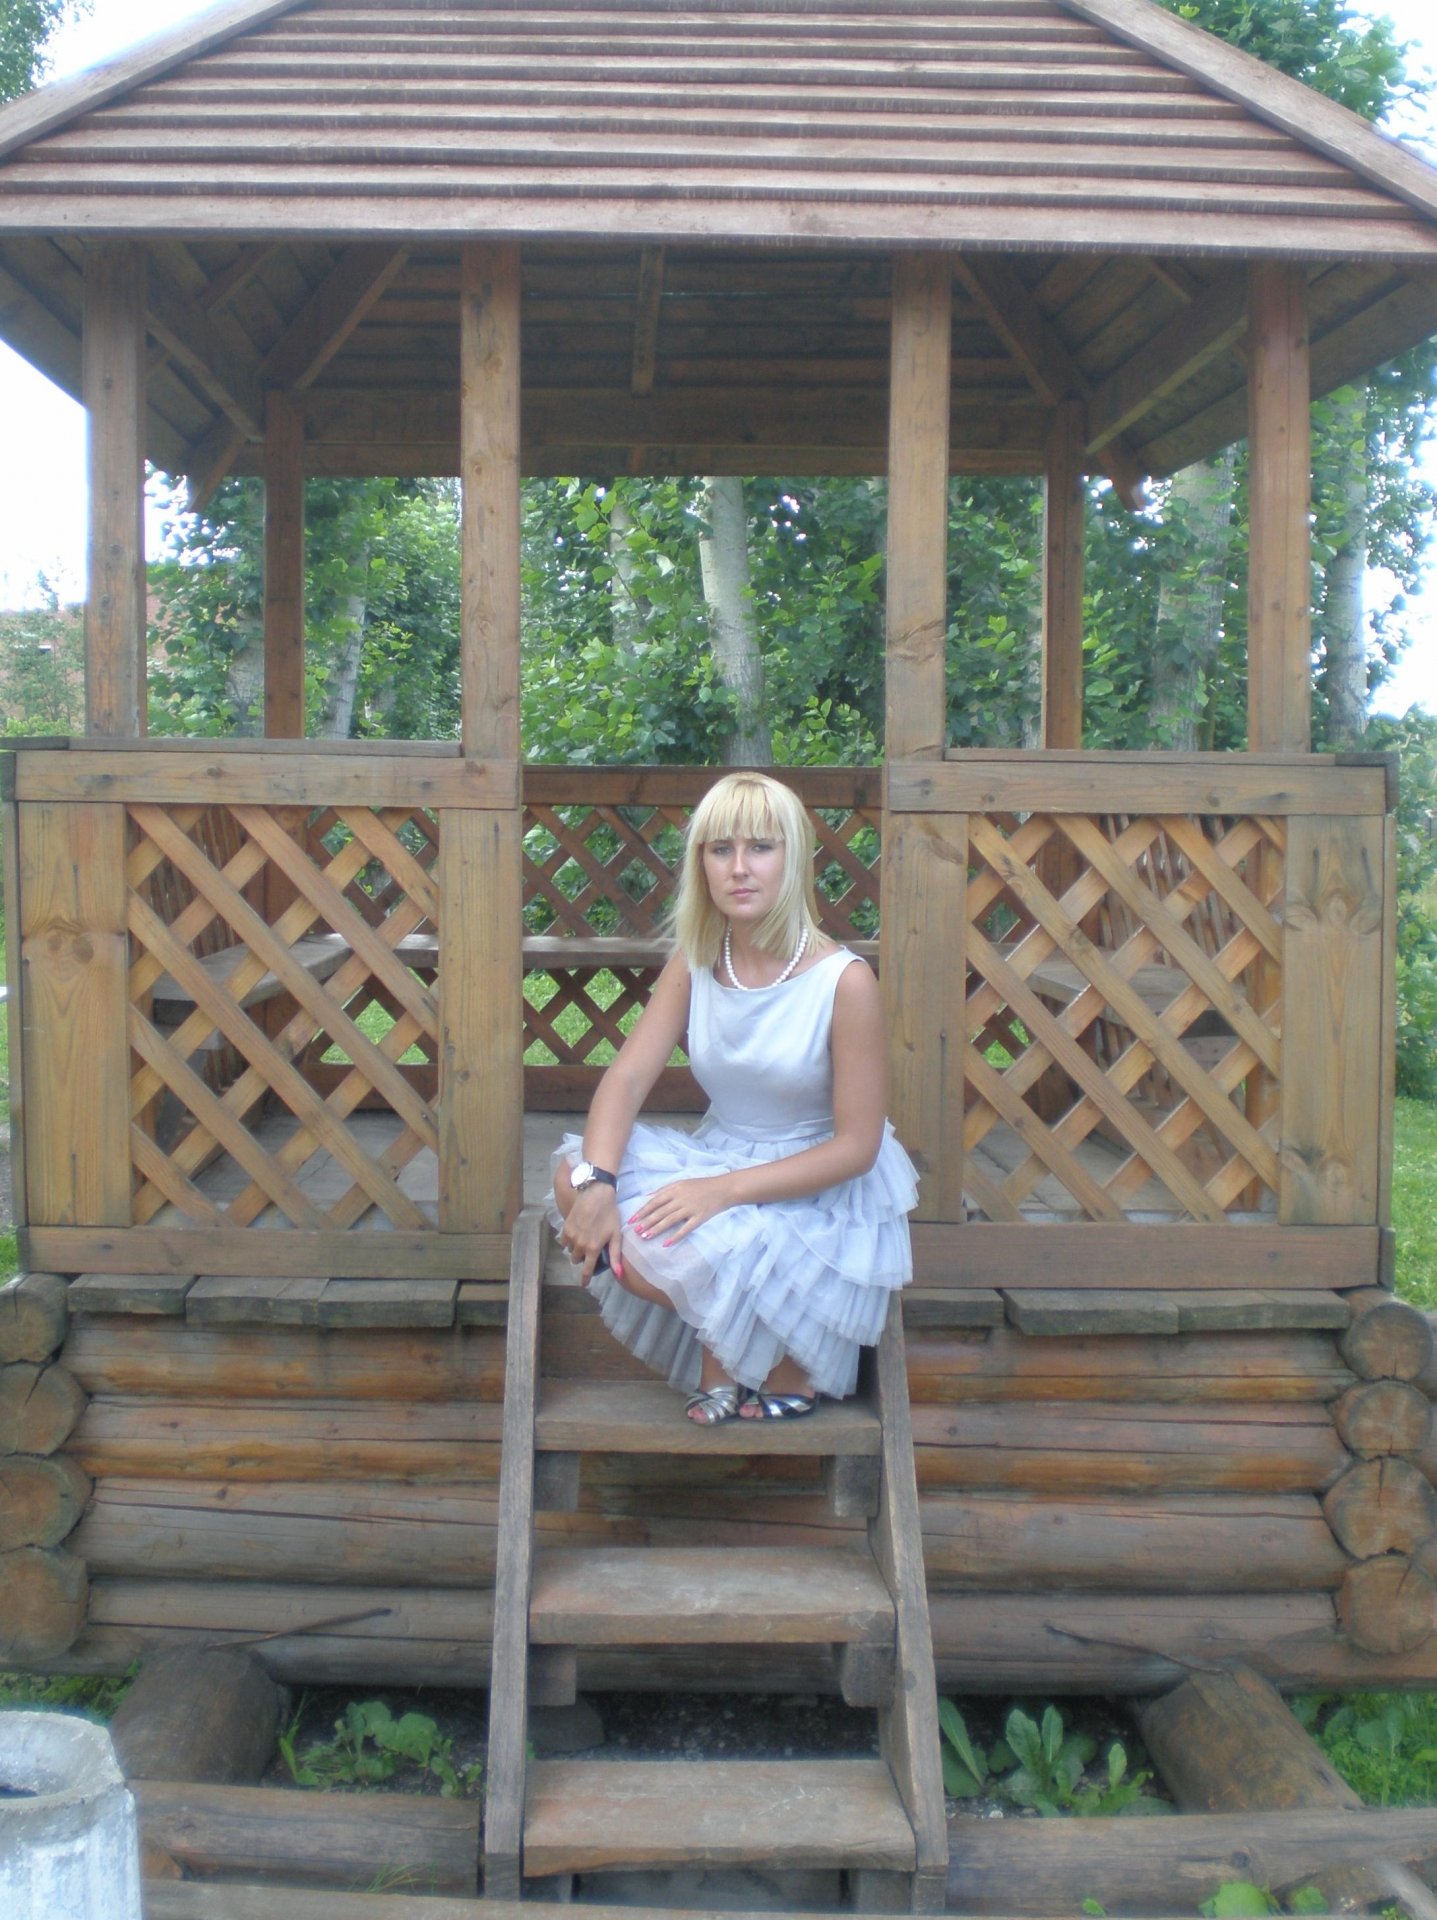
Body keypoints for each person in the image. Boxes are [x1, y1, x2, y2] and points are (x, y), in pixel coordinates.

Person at [550, 771, 917, 1425]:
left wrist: (718, 1193)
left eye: (761, 848)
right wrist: (598, 1184)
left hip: (816, 1185)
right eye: (721, 849)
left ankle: (754, 1357)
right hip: (721, 1154)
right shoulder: (695, 961)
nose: (739, 868)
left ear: (793, 859)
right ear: (702, 864)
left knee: (720, 1229)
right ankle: (740, 1335)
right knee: (570, 1175)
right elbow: (627, 1079)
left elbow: (857, 1148)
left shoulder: (844, 982)